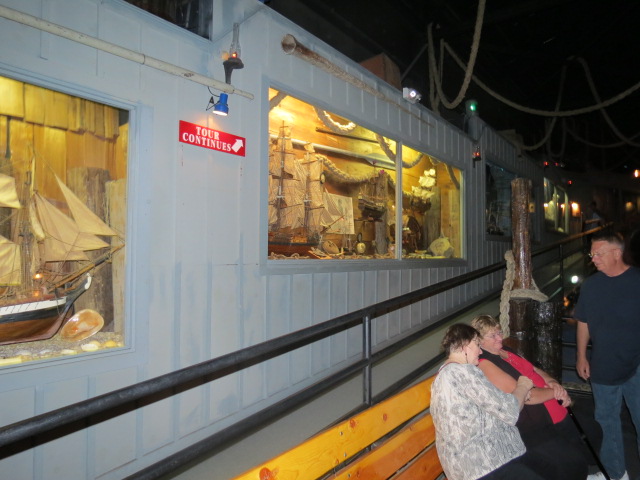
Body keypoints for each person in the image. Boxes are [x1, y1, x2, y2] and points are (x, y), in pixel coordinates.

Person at [471, 314, 589, 480]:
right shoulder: (485, 363)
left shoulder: (505, 351)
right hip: (534, 424)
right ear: (479, 341)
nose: (500, 338)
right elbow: (527, 396)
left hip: (552, 408)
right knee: (571, 463)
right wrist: (556, 393)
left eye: (499, 332)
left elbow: (534, 370)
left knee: (586, 439)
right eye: (493, 335)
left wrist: (553, 382)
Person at [431, 323, 547, 480]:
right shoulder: (461, 372)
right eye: (477, 345)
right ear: (465, 346)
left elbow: (498, 403)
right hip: (480, 465)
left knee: (545, 462)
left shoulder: (449, 373)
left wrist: (517, 395)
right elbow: (510, 411)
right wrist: (523, 386)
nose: (480, 351)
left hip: (481, 460)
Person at [575, 233, 640, 480]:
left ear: (617, 253)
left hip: (637, 363)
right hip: (603, 363)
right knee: (606, 421)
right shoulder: (591, 286)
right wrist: (581, 356)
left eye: (598, 254)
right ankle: (614, 473)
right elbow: (583, 322)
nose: (594, 259)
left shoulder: (637, 281)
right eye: (592, 254)